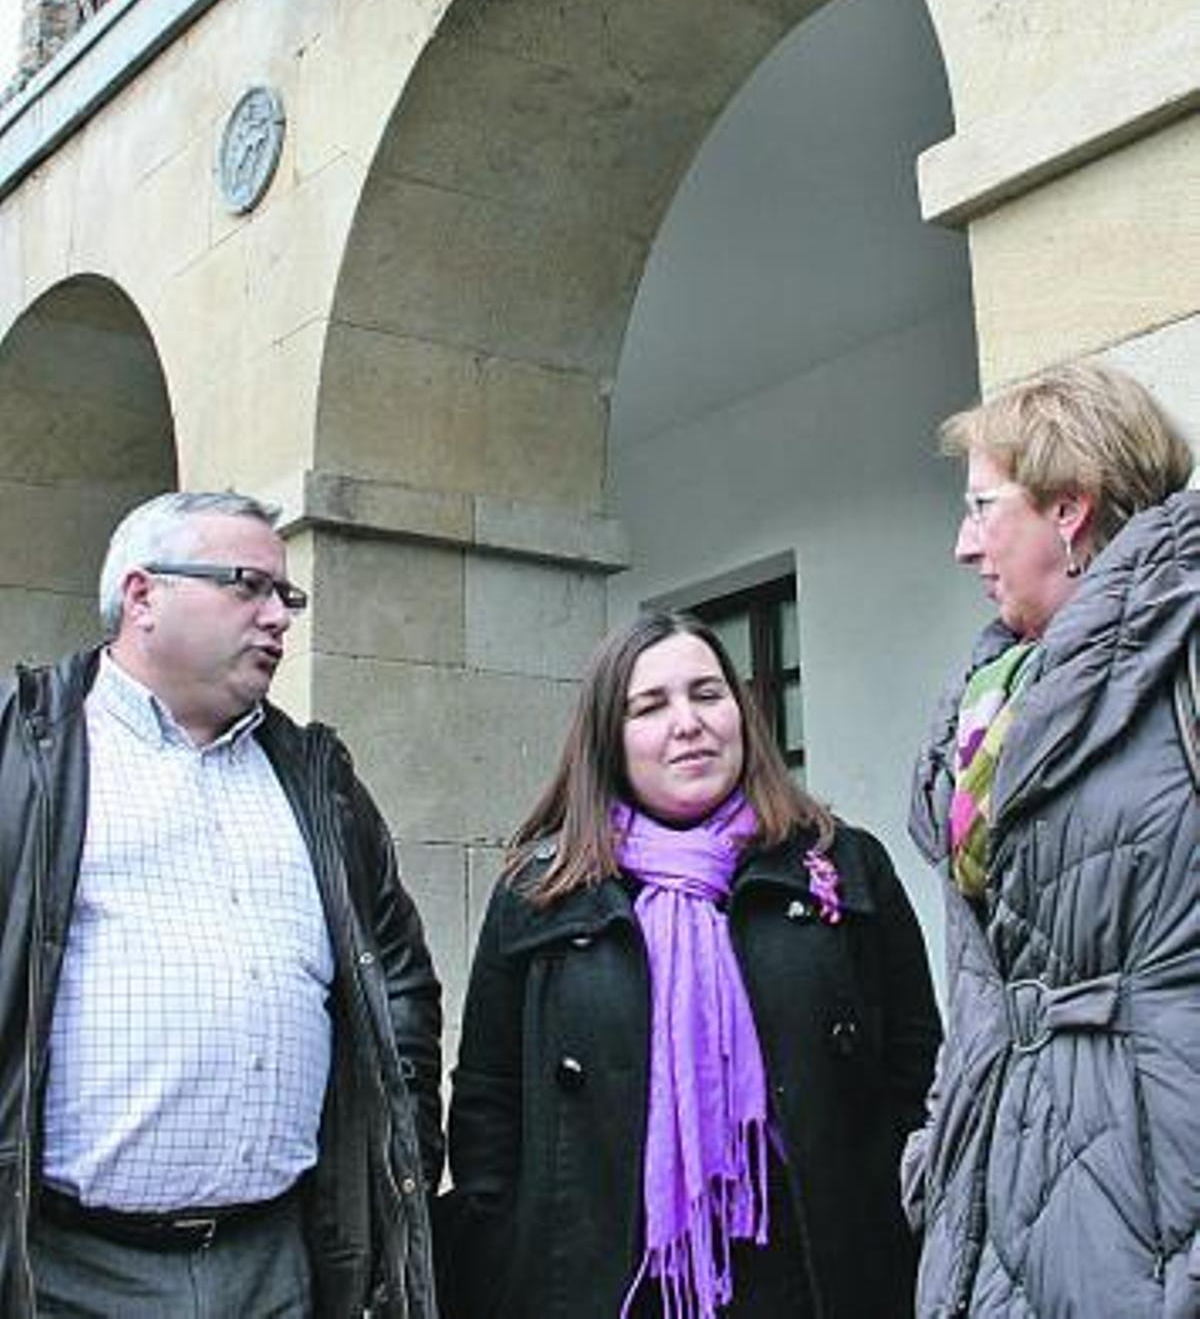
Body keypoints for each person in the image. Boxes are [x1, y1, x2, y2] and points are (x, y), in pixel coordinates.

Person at [0, 490, 442, 1319]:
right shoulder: (23, 754)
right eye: (248, 586)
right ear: (142, 598)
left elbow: (401, 990)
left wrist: (400, 1167)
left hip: (278, 1267)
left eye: (287, 596)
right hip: (61, 1272)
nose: (278, 617)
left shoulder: (318, 781)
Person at [440, 608, 941, 1319]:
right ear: (608, 740)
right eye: (650, 706)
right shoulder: (540, 894)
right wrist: (505, 1264)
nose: (688, 722)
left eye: (708, 694)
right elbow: (489, 1105)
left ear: (742, 711)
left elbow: (915, 1069)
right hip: (607, 1285)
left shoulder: (840, 863)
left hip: (811, 1278)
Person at [906, 361, 1199, 1317]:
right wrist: (941, 1145)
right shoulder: (996, 705)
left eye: (985, 506)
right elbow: (988, 977)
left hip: (1158, 1205)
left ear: (1069, 510)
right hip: (1004, 1189)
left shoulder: (1185, 653)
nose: (964, 544)